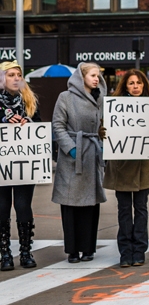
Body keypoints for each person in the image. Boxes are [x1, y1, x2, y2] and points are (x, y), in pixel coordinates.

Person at [103, 70, 149, 267]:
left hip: (143, 166)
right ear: (125, 85)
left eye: (139, 83)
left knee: (141, 209)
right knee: (124, 210)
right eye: (131, 83)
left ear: (144, 85)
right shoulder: (115, 105)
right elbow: (105, 132)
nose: (135, 86)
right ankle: (125, 252)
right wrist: (102, 131)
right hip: (120, 166)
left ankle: (139, 250)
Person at [51, 63, 107, 263]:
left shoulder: (100, 98)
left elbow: (105, 124)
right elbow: (57, 124)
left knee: (90, 204)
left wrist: (103, 144)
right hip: (72, 158)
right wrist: (71, 148)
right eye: (93, 75)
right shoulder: (65, 97)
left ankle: (88, 248)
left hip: (92, 154)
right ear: (81, 76)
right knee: (70, 203)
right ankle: (73, 249)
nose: (96, 79)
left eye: (98, 76)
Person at [0, 61, 41, 270]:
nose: (16, 78)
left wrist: (29, 124)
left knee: (24, 205)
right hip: (2, 165)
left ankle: (26, 251)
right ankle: (4, 252)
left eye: (18, 74)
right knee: (2, 207)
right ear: (2, 78)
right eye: (11, 75)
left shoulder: (30, 102)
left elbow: (42, 127)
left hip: (25, 163)